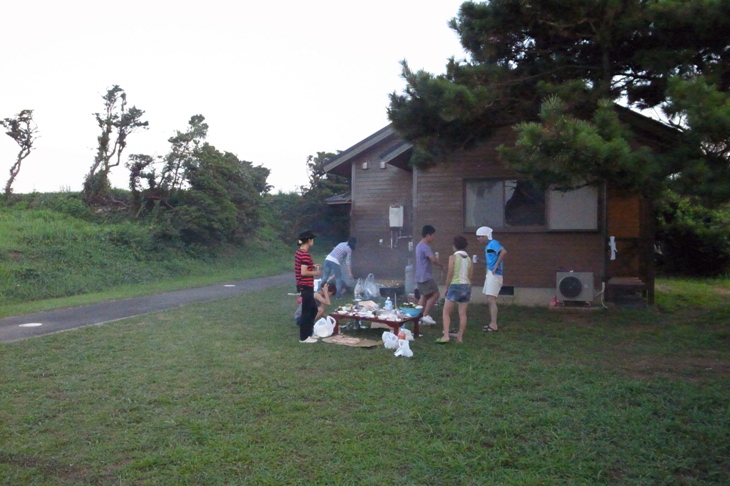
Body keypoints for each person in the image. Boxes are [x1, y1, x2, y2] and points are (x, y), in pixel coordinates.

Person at [436, 236, 473, 343]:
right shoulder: (469, 259)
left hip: (455, 285)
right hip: (466, 286)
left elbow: (450, 273)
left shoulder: (453, 257)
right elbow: (470, 276)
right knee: (463, 313)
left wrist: (447, 287)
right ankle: (460, 338)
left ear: (454, 246)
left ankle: (446, 336)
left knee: (446, 312)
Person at [476, 226, 507, 332]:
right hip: (490, 274)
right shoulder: (488, 246)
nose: (478, 239)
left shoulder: (493, 243)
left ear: (485, 236)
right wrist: (481, 261)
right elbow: (492, 260)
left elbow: (503, 252)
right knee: (489, 298)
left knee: (491, 299)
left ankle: (494, 324)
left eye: (480, 236)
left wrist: (496, 265)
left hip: (495, 274)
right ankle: (492, 323)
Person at [295, 230, 321, 343]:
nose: (313, 242)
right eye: (312, 239)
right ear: (309, 240)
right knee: (306, 312)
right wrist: (316, 273)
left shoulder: (299, 252)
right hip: (305, 285)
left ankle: (310, 333)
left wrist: (312, 265)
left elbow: (303, 266)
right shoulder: (305, 254)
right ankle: (304, 337)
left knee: (314, 309)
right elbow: (304, 272)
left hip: (305, 285)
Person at [415, 225, 443, 325]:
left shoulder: (419, 245)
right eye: (433, 235)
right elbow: (433, 259)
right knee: (436, 294)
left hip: (419, 275)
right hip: (425, 276)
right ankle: (425, 315)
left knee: (423, 296)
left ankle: (418, 318)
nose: (434, 238)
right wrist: (442, 265)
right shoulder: (425, 247)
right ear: (428, 235)